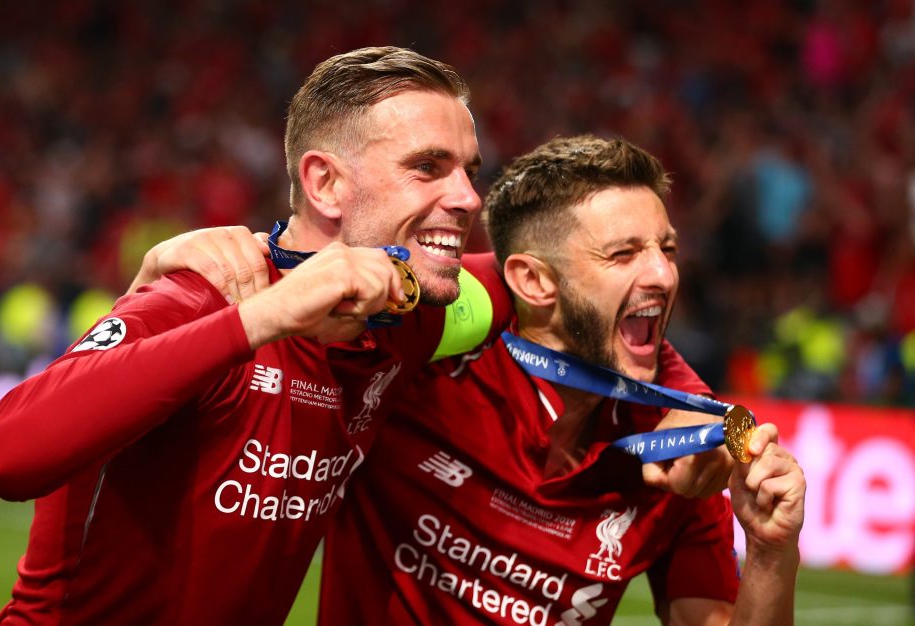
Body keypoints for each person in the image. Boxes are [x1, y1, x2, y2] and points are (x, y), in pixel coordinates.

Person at [0, 46, 511, 626]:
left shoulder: (411, 315)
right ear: (325, 183)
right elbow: (5, 456)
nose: (468, 198)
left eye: (469, 171)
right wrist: (259, 320)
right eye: (428, 167)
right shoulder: (203, 296)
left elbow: (536, 273)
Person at [316, 136, 805, 625]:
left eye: (667, 248)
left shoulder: (676, 447)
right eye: (622, 254)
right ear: (532, 281)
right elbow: (318, 288)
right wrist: (247, 248)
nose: (664, 273)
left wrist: (769, 550)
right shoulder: (418, 372)